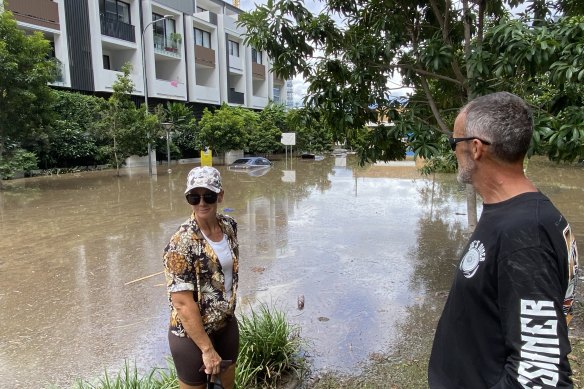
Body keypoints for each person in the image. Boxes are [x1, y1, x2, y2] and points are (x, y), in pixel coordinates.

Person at [428, 92, 579, 388]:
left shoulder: (526, 233)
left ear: (475, 148)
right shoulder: (512, 213)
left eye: (454, 143)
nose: (453, 152)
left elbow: (541, 375)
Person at [164, 166, 239, 389]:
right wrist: (207, 349)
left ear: (220, 195)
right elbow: (182, 303)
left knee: (227, 387)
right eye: (194, 197)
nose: (202, 203)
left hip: (225, 324)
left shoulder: (229, 226)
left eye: (208, 195)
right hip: (191, 335)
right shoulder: (181, 242)